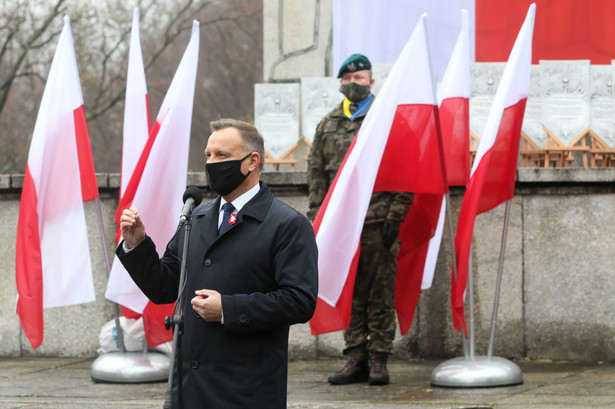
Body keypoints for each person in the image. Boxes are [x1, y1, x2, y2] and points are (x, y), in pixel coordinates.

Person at [117, 118, 318, 408]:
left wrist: (228, 309)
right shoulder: (196, 218)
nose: (212, 163)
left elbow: (299, 300)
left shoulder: (287, 224)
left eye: (222, 156)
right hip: (188, 389)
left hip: (246, 389)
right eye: (208, 155)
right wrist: (136, 245)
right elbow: (164, 287)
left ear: (252, 162)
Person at [307, 54, 412, 386]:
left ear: (371, 81)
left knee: (380, 292)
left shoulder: (388, 120)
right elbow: (318, 178)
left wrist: (395, 215)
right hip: (341, 228)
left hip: (380, 222)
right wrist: (317, 222)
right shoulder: (327, 125)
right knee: (348, 291)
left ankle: (379, 359)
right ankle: (355, 358)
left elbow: (407, 172)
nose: (354, 84)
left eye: (360, 78)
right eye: (348, 80)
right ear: (340, 83)